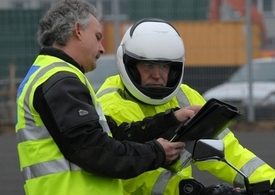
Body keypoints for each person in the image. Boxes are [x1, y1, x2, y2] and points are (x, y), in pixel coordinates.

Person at [96, 18, 275, 195]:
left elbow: (226, 150)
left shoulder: (185, 96)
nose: (157, 75)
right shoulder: (113, 102)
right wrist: (191, 189)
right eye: (148, 66)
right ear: (130, 65)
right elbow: (132, 171)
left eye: (164, 66)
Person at [14, 2, 198, 195]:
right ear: (78, 30)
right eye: (98, 37)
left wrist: (170, 120)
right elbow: (96, 151)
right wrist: (157, 153)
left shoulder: (48, 74)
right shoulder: (60, 79)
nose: (102, 48)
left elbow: (111, 134)